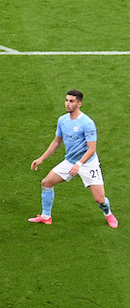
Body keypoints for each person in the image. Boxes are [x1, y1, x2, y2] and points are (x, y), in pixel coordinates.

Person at [29, 90, 118, 228]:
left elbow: (91, 149)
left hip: (88, 163)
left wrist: (79, 164)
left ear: (79, 104)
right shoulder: (62, 120)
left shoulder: (87, 123)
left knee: (100, 199)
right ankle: (46, 217)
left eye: (71, 101)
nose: (67, 104)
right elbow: (56, 142)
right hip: (70, 161)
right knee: (46, 183)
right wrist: (42, 158)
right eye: (66, 100)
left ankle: (108, 214)